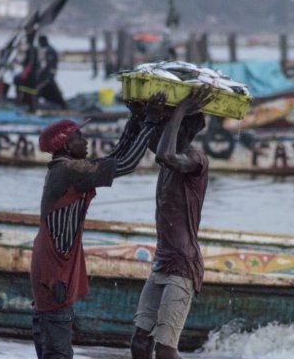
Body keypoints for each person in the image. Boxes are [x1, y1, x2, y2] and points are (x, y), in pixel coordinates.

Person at [30, 94, 165, 359]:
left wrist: (135, 120)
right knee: (58, 350)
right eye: (79, 137)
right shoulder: (69, 171)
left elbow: (113, 159)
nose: (86, 141)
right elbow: (125, 164)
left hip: (48, 263)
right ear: (66, 145)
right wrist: (150, 121)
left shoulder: (65, 167)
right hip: (55, 269)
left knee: (51, 342)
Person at [130, 86, 213, 359]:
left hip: (183, 266)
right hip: (163, 262)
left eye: (174, 125)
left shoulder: (194, 159)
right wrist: (142, 114)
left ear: (185, 130)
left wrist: (178, 111)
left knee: (165, 351)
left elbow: (163, 155)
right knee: (140, 343)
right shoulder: (172, 152)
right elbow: (153, 144)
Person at [37, 35, 67, 109]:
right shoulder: (49, 49)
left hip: (49, 74)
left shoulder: (49, 50)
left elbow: (50, 64)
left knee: (42, 88)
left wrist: (45, 74)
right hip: (50, 74)